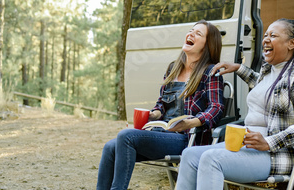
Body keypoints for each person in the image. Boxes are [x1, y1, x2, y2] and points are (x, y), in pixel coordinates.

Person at [176, 18, 294, 190]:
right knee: (189, 154)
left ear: (291, 43)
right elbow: (263, 88)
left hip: (278, 154)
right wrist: (238, 68)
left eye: (273, 35)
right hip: (249, 146)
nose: (265, 39)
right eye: (265, 35)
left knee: (211, 159)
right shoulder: (269, 70)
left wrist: (269, 142)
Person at [96, 20, 225, 190]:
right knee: (110, 147)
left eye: (198, 33)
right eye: (191, 30)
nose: (191, 34)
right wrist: (154, 115)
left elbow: (217, 107)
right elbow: (161, 105)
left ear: (208, 45)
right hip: (161, 133)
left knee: (126, 136)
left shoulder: (210, 72)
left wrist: (191, 122)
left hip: (186, 138)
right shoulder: (173, 68)